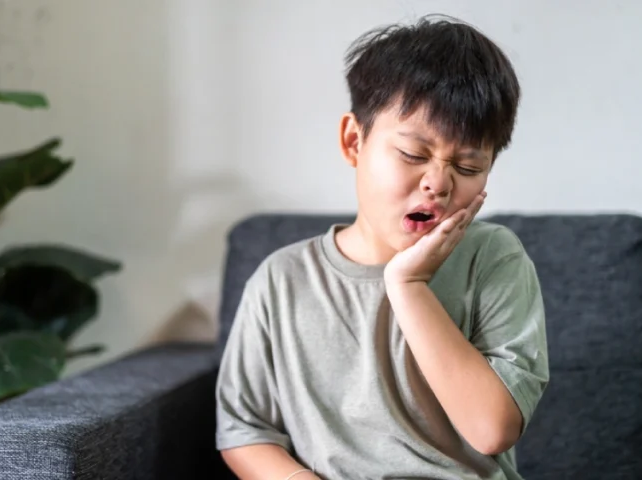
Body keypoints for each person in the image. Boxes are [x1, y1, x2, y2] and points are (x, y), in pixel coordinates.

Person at [215, 14, 549, 480]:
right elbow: (245, 431)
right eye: (413, 155)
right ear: (354, 141)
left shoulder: (494, 258)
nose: (438, 183)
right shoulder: (281, 279)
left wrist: (408, 285)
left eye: (469, 167)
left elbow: (491, 428)